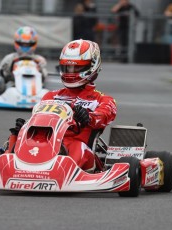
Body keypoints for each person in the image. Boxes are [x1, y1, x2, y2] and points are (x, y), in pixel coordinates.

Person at [7, 39, 117, 172]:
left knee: (78, 146)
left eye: (76, 67)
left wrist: (89, 117)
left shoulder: (103, 99)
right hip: (47, 145)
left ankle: (62, 171)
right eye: (67, 67)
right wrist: (25, 128)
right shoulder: (50, 96)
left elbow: (105, 116)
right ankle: (9, 164)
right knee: (19, 137)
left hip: (78, 148)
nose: (71, 72)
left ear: (92, 66)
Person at [0, 26, 48, 96]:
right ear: (17, 42)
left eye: (28, 44)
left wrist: (40, 68)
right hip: (13, 85)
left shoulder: (39, 59)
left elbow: (44, 77)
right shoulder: (9, 58)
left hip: (36, 87)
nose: (25, 46)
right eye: (22, 44)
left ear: (34, 43)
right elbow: (1, 74)